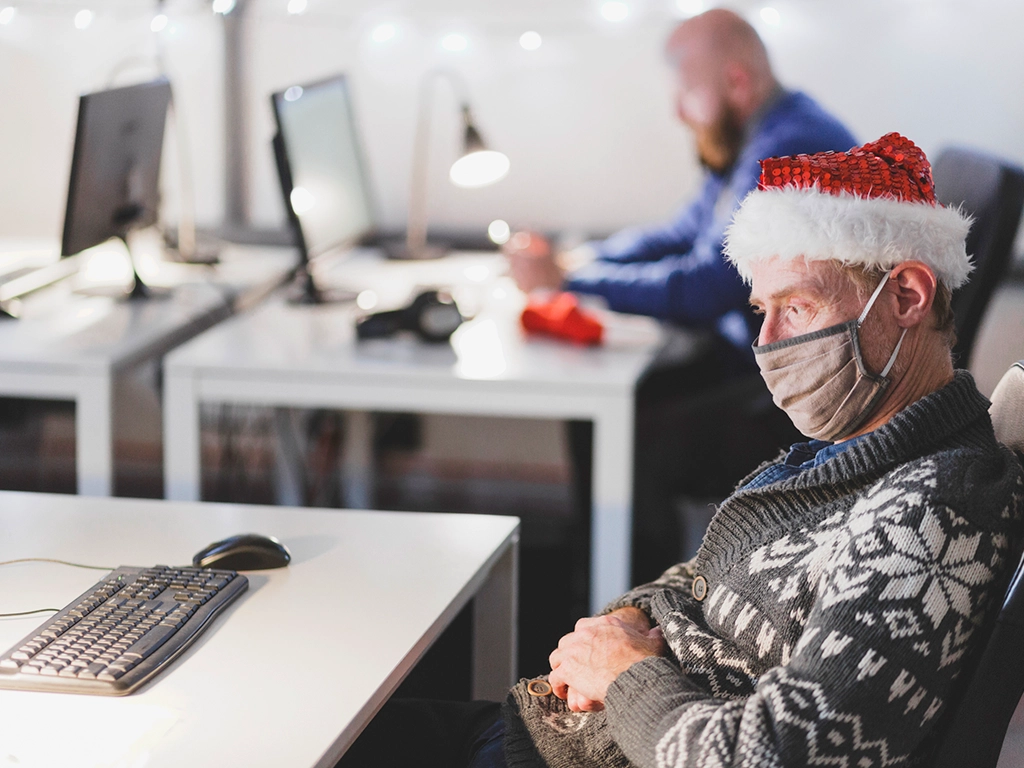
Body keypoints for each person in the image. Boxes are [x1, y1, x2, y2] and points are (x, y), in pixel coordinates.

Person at [339, 134, 1024, 767]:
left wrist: (625, 674)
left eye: (799, 308)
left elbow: (776, 754)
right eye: (762, 311)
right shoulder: (859, 450)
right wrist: (624, 624)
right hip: (561, 734)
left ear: (906, 294)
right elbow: (706, 577)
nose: (769, 343)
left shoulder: (932, 511)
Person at [505, 8, 859, 582]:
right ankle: (595, 571)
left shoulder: (789, 149)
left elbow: (704, 286)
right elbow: (681, 232)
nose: (677, 111)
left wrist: (565, 283)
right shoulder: (756, 134)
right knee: (601, 416)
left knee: (630, 437)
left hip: (792, 393)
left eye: (686, 91)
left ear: (736, 82)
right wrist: (581, 264)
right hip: (744, 359)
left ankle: (635, 604)